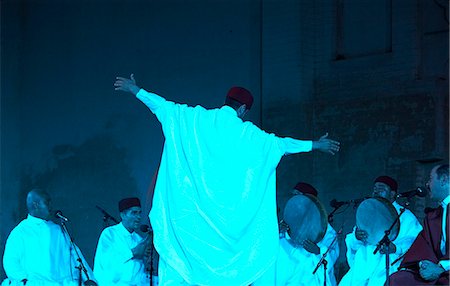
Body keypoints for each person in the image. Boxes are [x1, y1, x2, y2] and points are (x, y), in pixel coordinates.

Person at [114, 74, 341, 285]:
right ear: (242, 109)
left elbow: (162, 106)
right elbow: (282, 145)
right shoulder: (248, 134)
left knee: (184, 268)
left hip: (195, 228)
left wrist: (135, 90)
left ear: (226, 101)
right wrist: (315, 144)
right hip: (228, 229)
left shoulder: (194, 118)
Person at [339, 175, 422, 286]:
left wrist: (396, 248)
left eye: (381, 189)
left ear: (392, 194)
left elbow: (414, 240)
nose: (376, 192)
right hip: (364, 264)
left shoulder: (405, 216)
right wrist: (357, 236)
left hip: (388, 264)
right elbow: (353, 243)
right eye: (375, 189)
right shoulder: (369, 212)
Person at [2, 189, 95, 286]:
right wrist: (24, 280)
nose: (51, 206)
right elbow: (10, 261)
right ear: (36, 205)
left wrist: (88, 278)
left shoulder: (58, 230)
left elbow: (76, 256)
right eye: (47, 202)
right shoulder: (20, 232)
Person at [256, 182, 340, 285]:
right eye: (293, 195)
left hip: (310, 277)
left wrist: (318, 251)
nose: (293, 198)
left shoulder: (326, 229)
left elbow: (333, 253)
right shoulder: (287, 223)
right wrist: (276, 233)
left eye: (297, 195)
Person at [388, 164, 449, 285]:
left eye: (431, 179)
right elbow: (423, 245)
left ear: (443, 180)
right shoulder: (434, 216)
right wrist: (423, 263)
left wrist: (442, 268)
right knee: (398, 280)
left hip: (445, 270)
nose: (427, 185)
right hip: (438, 269)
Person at [94, 197, 154, 286]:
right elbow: (107, 263)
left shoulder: (138, 239)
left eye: (139, 213)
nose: (138, 217)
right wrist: (133, 252)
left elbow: (139, 272)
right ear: (123, 215)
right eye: (134, 213)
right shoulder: (110, 233)